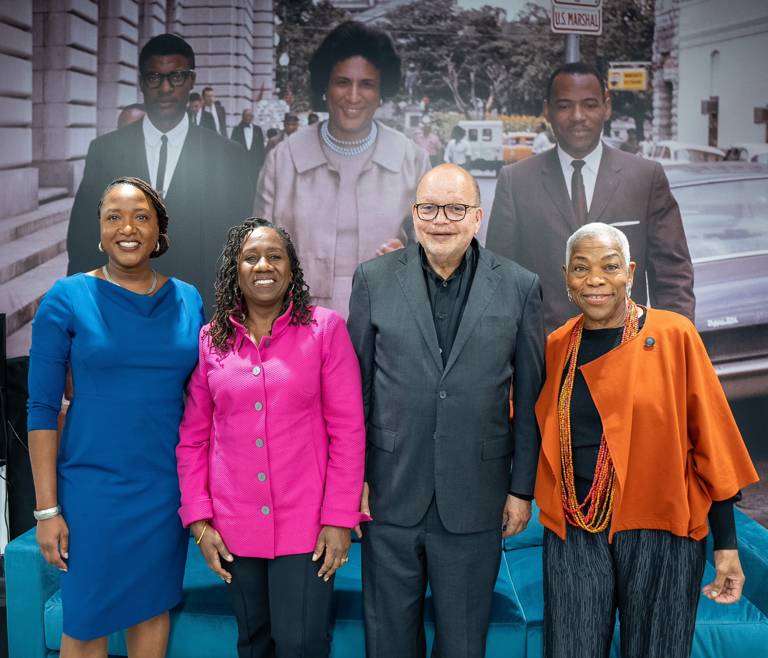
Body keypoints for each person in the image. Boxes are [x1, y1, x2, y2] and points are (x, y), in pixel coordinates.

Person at [535, 222, 759, 658]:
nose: (595, 279)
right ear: (565, 276)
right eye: (581, 268)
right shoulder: (558, 345)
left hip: (664, 530)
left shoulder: (675, 335)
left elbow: (713, 446)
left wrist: (727, 547)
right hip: (577, 529)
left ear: (630, 272)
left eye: (609, 266)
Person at [347, 164, 545, 658]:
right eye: (429, 208)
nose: (441, 220)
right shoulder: (372, 279)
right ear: (414, 215)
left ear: (477, 217)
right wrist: (353, 478)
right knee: (388, 641)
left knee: (462, 645)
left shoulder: (520, 286)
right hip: (389, 491)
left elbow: (532, 395)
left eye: (455, 208)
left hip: (477, 495)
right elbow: (355, 393)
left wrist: (521, 489)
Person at [27, 177, 204, 658]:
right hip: (93, 492)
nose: (128, 228)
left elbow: (202, 404)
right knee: (85, 624)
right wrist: (47, 511)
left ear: (158, 231)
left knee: (152, 612)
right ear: (100, 230)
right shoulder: (65, 298)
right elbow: (42, 409)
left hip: (164, 491)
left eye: (141, 217)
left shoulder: (189, 299)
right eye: (114, 217)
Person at [176, 218, 367, 658]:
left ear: (291, 267)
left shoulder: (325, 330)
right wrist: (200, 523)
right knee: (253, 643)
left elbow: (349, 432)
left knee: (301, 643)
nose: (264, 265)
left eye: (275, 256)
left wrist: (340, 518)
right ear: (235, 270)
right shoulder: (212, 341)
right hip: (233, 527)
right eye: (251, 257)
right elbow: (193, 439)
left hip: (307, 528)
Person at [486, 62, 694, 333]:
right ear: (547, 110)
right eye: (563, 106)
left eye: (590, 105)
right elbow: (499, 282)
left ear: (606, 107)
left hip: (627, 355)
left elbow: (672, 276)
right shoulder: (515, 182)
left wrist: (675, 347)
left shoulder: (645, 177)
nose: (577, 116)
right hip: (544, 358)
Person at [66, 34, 252, 317]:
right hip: (119, 316)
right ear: (141, 83)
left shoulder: (229, 157)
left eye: (176, 77)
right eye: (154, 78)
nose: (165, 88)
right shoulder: (105, 150)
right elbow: (82, 241)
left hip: (199, 321)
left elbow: (236, 249)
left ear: (191, 81)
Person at [255, 21, 430, 316]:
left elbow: (441, 255)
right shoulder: (282, 160)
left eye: (366, 84)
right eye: (342, 82)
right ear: (324, 86)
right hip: (299, 329)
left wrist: (413, 261)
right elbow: (256, 257)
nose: (352, 96)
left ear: (381, 92)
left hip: (389, 328)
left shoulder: (412, 161)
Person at [231, 108, 266, 182]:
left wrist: (261, 163)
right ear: (242, 117)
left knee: (254, 183)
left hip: (254, 163)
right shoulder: (236, 129)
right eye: (246, 116)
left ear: (253, 117)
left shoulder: (258, 129)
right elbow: (232, 147)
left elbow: (261, 147)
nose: (248, 118)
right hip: (240, 163)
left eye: (250, 116)